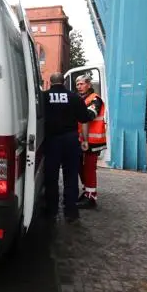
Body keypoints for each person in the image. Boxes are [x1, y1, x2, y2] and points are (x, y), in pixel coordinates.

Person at [43, 72, 96, 223]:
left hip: (51, 140)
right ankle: (70, 211)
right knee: (71, 176)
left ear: (51, 82)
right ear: (64, 82)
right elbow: (84, 119)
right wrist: (84, 140)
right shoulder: (74, 97)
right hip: (71, 140)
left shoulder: (44, 97)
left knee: (51, 177)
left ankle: (51, 210)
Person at [75, 74, 107, 210]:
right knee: (80, 167)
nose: (79, 87)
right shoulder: (82, 98)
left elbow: (89, 116)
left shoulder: (95, 99)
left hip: (93, 141)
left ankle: (91, 197)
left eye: (82, 84)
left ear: (89, 84)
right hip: (84, 140)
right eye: (77, 84)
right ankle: (87, 191)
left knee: (89, 169)